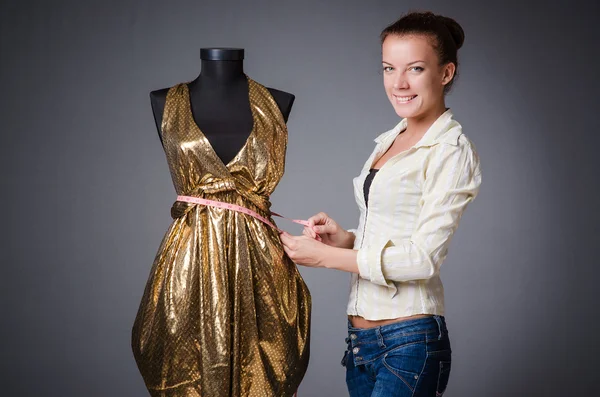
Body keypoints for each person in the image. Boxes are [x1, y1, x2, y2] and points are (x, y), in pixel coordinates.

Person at [280, 11, 482, 397]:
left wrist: (325, 259)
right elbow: (394, 231)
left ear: (446, 73)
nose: (399, 83)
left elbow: (422, 259)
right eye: (389, 68)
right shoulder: (392, 137)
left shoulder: (451, 151)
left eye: (416, 69)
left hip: (410, 343)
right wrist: (345, 240)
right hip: (360, 345)